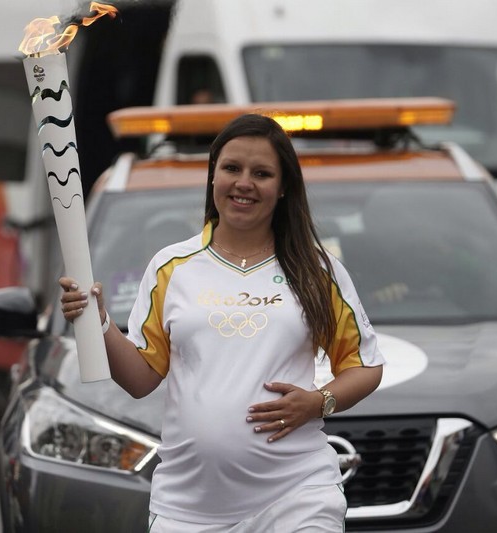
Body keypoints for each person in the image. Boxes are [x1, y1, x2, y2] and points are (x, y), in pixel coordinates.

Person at [59, 114, 384, 531]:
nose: (244, 183)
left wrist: (318, 402)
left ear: (283, 188)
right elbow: (140, 380)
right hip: (189, 508)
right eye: (232, 168)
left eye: (262, 173)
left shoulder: (316, 270)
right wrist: (100, 322)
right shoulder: (172, 267)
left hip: (296, 494)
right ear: (213, 177)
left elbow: (364, 365)